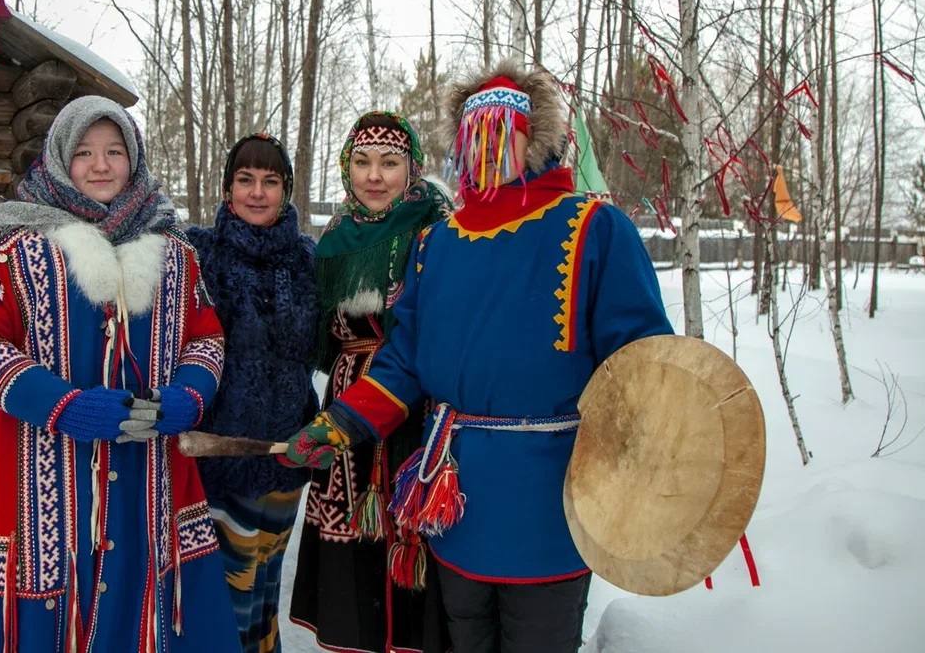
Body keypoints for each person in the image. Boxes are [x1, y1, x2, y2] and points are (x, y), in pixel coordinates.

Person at [282, 66, 674, 653]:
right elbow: (404, 360)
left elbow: (642, 367)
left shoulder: (595, 227)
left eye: (503, 134)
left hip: (551, 493)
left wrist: (658, 467)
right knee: (462, 636)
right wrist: (341, 422)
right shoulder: (437, 242)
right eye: (474, 136)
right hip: (454, 493)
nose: (487, 152)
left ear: (534, 138)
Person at [0, 97, 242, 653]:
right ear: (59, 159)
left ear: (135, 160)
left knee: (144, 592)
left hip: (147, 470)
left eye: (114, 152)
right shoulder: (7, 246)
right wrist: (64, 406)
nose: (100, 166)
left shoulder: (174, 253)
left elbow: (206, 338)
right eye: (84, 153)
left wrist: (189, 397)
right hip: (37, 475)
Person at [287, 112, 452, 653]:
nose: (374, 176)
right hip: (348, 399)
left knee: (415, 529)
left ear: (413, 169)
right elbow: (323, 338)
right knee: (354, 539)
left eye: (389, 163)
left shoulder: (439, 229)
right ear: (346, 168)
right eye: (362, 162)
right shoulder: (335, 238)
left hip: (418, 401)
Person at [184, 133, 318, 653]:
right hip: (220, 462)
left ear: (286, 190)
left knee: (264, 598)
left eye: (270, 181)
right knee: (226, 606)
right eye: (245, 180)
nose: (257, 193)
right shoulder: (198, 255)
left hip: (286, 458)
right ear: (225, 188)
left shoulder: (308, 258)